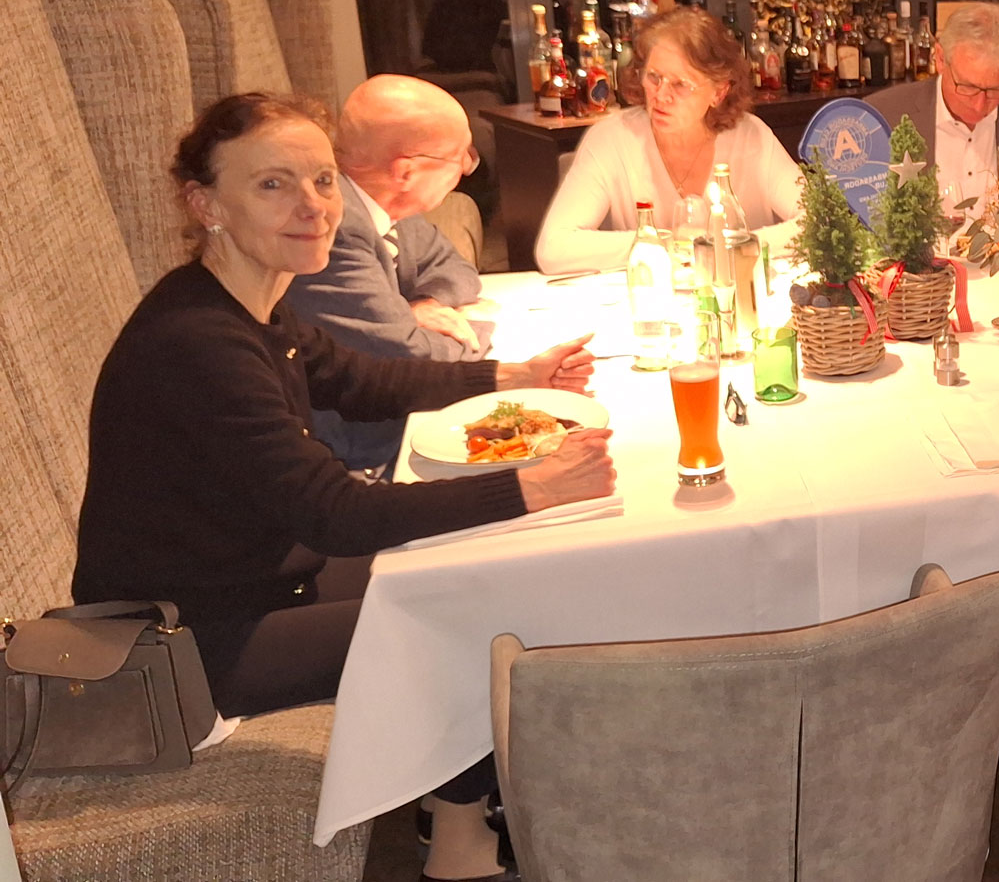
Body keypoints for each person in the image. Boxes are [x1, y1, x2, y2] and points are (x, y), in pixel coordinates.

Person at [71, 93, 616, 882]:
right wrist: (531, 486)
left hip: (253, 576)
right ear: (205, 203)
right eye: (273, 184)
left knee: (466, 568)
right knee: (467, 619)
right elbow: (337, 513)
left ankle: (459, 801)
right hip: (183, 639)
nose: (313, 205)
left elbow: (360, 380)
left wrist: (514, 375)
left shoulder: (252, 305)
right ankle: (459, 852)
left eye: (323, 180)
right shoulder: (198, 342)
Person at [286, 74, 488, 473]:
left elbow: (458, 270)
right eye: (459, 156)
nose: (466, 169)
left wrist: (424, 304)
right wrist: (473, 330)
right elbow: (412, 361)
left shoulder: (388, 202)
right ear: (406, 172)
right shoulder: (335, 228)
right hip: (360, 454)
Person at [535, 6, 803, 275]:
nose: (661, 95)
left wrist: (728, 248)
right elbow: (553, 248)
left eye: (680, 84)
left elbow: (816, 222)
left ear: (719, 92)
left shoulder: (751, 137)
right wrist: (666, 244)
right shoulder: (611, 139)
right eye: (654, 77)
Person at [863, 3, 999, 214]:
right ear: (940, 59)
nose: (979, 105)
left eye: (995, 90)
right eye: (967, 87)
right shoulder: (881, 116)